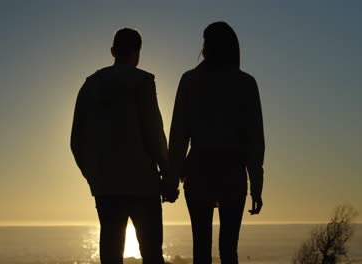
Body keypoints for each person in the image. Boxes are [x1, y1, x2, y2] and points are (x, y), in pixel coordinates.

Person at [70, 28, 178, 264]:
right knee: (151, 255)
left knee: (110, 256)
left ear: (112, 51)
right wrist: (168, 175)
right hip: (143, 185)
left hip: (107, 187)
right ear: (137, 52)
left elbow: (76, 141)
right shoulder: (142, 81)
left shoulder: (90, 85)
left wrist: (93, 176)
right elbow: (154, 134)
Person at [168, 21, 265, 264]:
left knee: (201, 248)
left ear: (207, 46)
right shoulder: (246, 83)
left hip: (199, 169)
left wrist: (171, 178)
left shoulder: (190, 80)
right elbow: (255, 139)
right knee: (229, 250)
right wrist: (256, 182)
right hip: (232, 170)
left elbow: (179, 136)